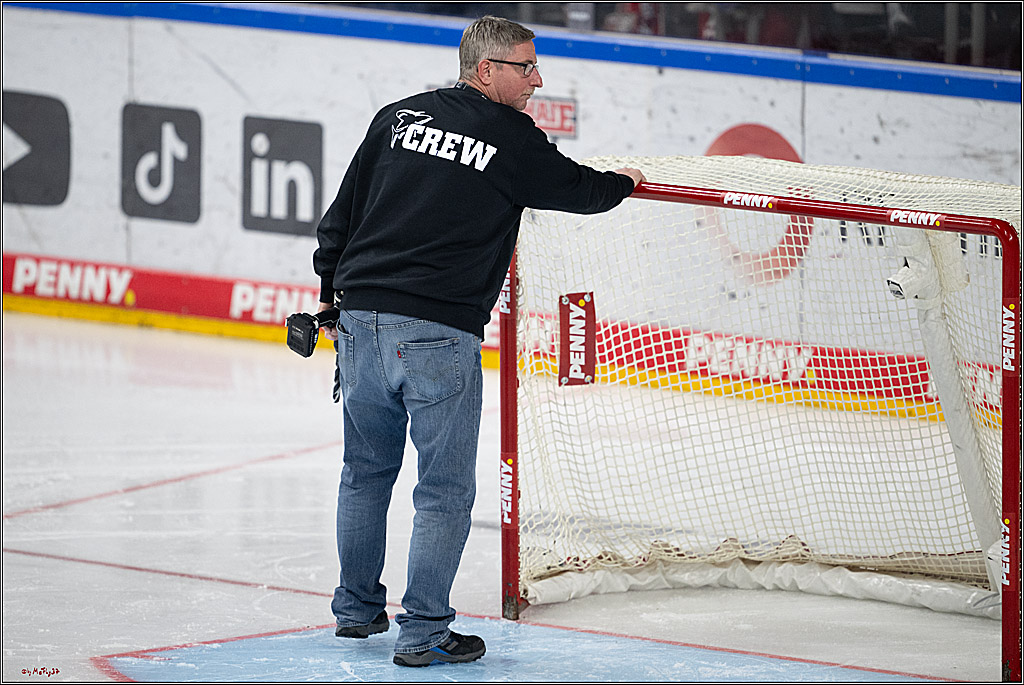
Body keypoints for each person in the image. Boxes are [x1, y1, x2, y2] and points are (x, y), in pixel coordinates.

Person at [312, 14, 645, 668]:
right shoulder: (510, 137)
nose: (537, 79)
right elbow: (581, 191)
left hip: (359, 321)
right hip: (437, 335)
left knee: (364, 472)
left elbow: (341, 216)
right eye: (526, 67)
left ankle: (355, 610)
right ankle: (423, 631)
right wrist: (627, 181)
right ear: (486, 70)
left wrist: (329, 294)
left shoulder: (397, 117)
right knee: (443, 491)